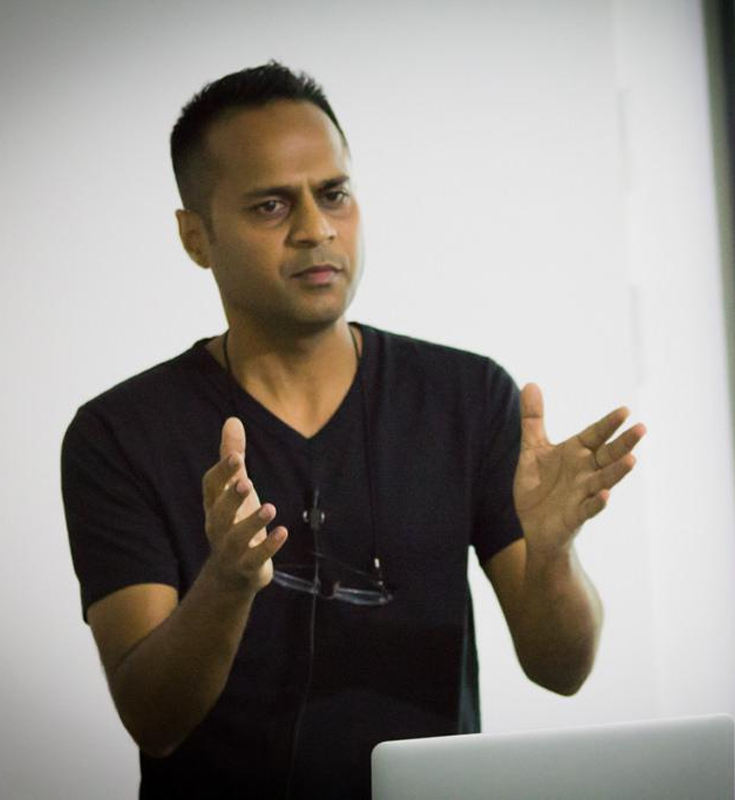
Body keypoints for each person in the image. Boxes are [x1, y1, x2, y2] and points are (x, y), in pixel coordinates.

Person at [61, 61, 646, 799]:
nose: (316, 229)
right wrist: (227, 583)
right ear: (196, 236)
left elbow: (562, 670)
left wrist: (554, 552)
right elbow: (154, 719)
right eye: (271, 206)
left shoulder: (466, 398)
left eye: (334, 194)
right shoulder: (120, 435)